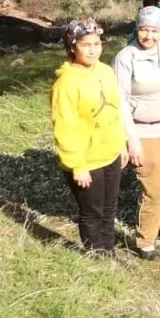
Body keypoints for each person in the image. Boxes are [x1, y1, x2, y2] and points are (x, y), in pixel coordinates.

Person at [112, 6, 160, 261]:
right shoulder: (125, 57)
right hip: (143, 130)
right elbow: (119, 100)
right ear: (137, 28)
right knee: (153, 186)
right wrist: (131, 140)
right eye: (144, 29)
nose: (148, 36)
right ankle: (146, 240)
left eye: (154, 30)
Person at [51, 18, 128, 256]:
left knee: (109, 208)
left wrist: (121, 145)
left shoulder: (105, 71)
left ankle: (109, 250)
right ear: (73, 46)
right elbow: (64, 126)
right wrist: (77, 165)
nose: (93, 49)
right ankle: (96, 255)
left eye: (97, 43)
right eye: (86, 44)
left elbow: (115, 111)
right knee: (92, 212)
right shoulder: (66, 83)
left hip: (111, 153)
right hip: (86, 161)